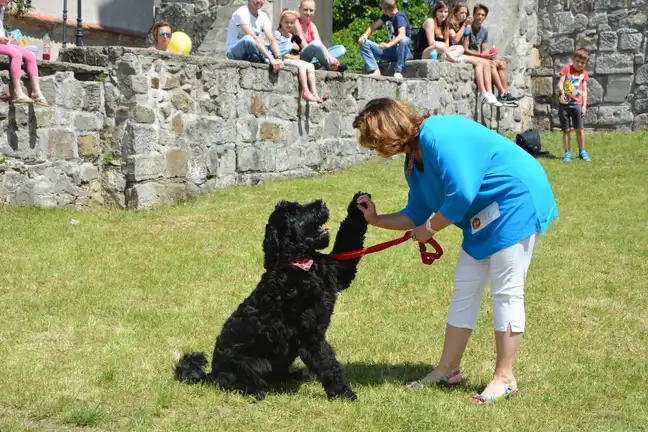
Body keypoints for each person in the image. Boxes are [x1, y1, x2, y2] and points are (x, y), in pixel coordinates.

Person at [353, 98, 558, 405]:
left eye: (372, 139)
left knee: (506, 290)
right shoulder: (412, 163)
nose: (371, 147)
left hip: (515, 199)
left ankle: (504, 378)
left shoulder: (436, 134)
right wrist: (377, 219)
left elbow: (461, 193)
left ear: (387, 129)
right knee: (465, 285)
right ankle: (448, 369)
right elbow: (416, 212)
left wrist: (431, 229)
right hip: (482, 216)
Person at [462, 4, 517, 107]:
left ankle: (505, 93)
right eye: (478, 14)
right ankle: (502, 93)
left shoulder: (484, 31)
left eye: (483, 15)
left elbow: (483, 50)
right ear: (473, 14)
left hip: (479, 56)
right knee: (491, 64)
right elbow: (465, 50)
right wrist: (483, 55)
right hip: (470, 56)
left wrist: (489, 54)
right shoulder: (468, 28)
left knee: (502, 64)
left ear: (485, 17)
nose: (480, 17)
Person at [0, 0, 48, 107]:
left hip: (3, 43)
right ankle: (18, 92)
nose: (8, 1)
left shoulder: (1, 9)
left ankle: (36, 92)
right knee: (16, 54)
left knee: (30, 55)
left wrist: (7, 39)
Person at [274, 10, 322, 102]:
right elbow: (279, 50)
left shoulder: (290, 35)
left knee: (311, 66)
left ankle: (314, 93)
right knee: (302, 66)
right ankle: (306, 91)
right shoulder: (277, 33)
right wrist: (291, 57)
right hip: (282, 59)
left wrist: (295, 55)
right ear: (281, 22)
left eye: (291, 23)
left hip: (290, 57)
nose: (289, 25)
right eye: (286, 22)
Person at [358, 0, 412, 80]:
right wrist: (365, 35)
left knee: (404, 39)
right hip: (391, 51)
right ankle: (375, 71)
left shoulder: (399, 16)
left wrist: (388, 44)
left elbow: (402, 34)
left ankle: (398, 71)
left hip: (403, 51)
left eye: (381, 8)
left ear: (385, 9)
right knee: (364, 42)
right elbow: (374, 26)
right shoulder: (386, 16)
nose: (381, 10)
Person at [225, 0, 284, 73]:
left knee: (285, 44)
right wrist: (271, 58)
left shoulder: (263, 16)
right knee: (248, 40)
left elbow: (272, 39)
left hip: (255, 48)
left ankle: (262, 57)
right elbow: (254, 38)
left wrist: (278, 57)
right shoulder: (241, 13)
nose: (259, 1)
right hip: (235, 52)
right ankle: (265, 59)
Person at [293, 0, 347, 73]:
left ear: (314, 11)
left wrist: (329, 56)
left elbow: (321, 44)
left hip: (314, 56)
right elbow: (303, 44)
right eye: (305, 10)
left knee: (341, 49)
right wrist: (318, 52)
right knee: (316, 44)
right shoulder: (296, 22)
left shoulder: (312, 26)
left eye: (311, 10)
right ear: (299, 9)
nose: (308, 13)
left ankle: (320, 63)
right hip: (301, 56)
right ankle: (329, 66)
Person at [557, 48, 591, 162]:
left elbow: (585, 90)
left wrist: (584, 106)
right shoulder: (566, 69)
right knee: (566, 130)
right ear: (573, 59)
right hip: (564, 105)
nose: (579, 64)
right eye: (577, 61)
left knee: (579, 129)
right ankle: (567, 152)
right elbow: (560, 83)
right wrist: (562, 91)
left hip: (577, 105)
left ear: (586, 64)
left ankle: (582, 151)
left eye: (583, 63)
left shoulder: (584, 74)